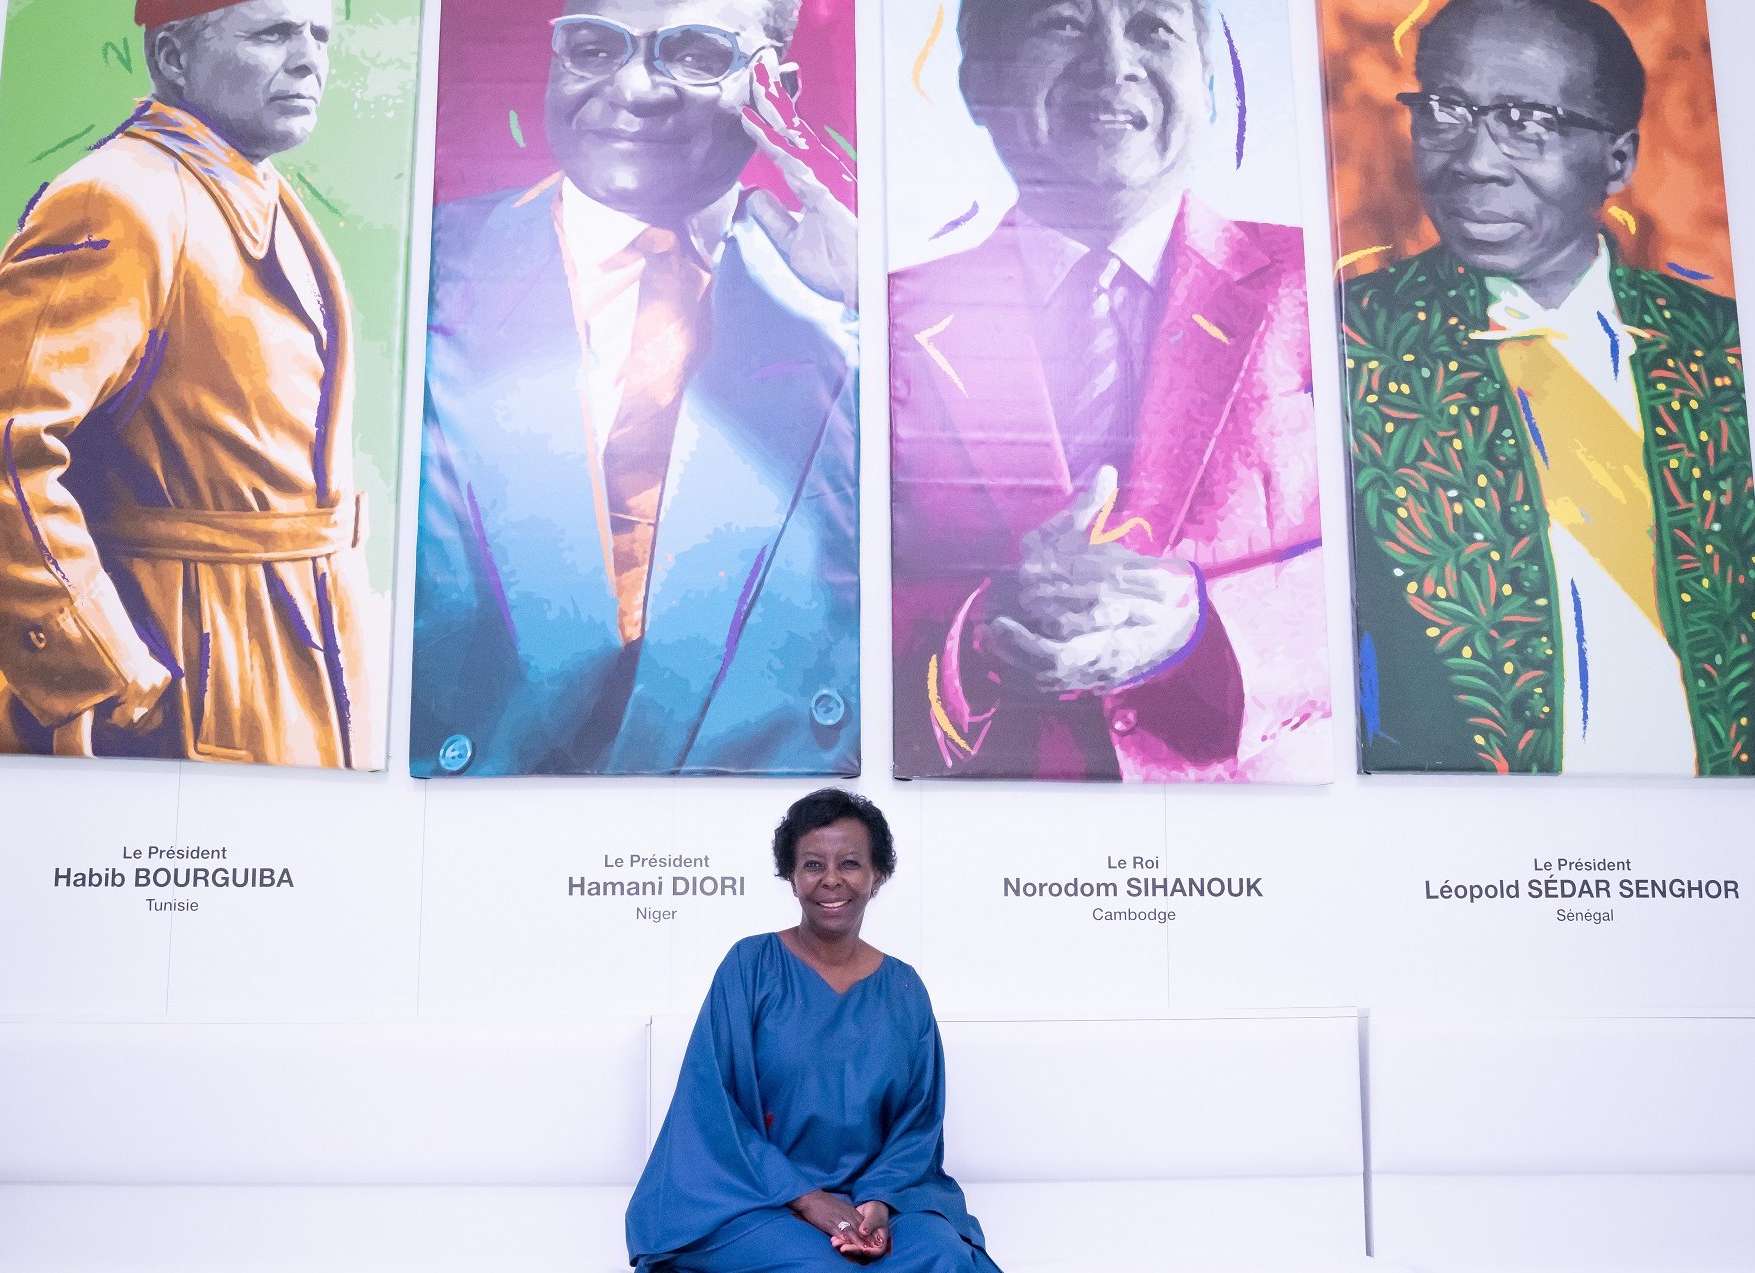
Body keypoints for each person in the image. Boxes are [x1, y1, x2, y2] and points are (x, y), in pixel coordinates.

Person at [410, 0, 860, 778]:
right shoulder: (416, 264)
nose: (636, 89)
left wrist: (862, 310)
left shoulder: (861, 307)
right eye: (593, 46)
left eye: (692, 54)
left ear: (774, 88)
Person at [889, 0, 1330, 783]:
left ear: (1209, 81)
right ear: (977, 83)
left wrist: (1210, 627)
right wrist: (976, 637)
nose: (1113, 63)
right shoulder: (884, 323)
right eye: (1060, 23)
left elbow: (1415, 578)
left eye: (1153, 27)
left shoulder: (1328, 291)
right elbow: (812, 618)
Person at [1339, 0, 1755, 776]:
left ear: (1618, 158)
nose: (1473, 160)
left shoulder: (1729, 352)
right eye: (1446, 110)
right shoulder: (1346, 343)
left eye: (1525, 120)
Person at [0, 0, 372, 768]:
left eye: (320, 35)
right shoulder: (119, 200)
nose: (310, 59)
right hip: (176, 694)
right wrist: (104, 671)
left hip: (290, 671)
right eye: (274, 32)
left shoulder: (259, 194)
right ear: (174, 57)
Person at [627, 789, 1000, 1272]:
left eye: (849, 863)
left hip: (871, 1199)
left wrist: (878, 1204)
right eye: (812, 865)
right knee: (826, 1269)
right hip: (754, 1198)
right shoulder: (751, 966)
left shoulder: (904, 988)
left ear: (877, 876)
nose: (831, 881)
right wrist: (807, 1198)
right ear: (790, 876)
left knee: (943, 1255)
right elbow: (712, 1109)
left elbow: (917, 1124)